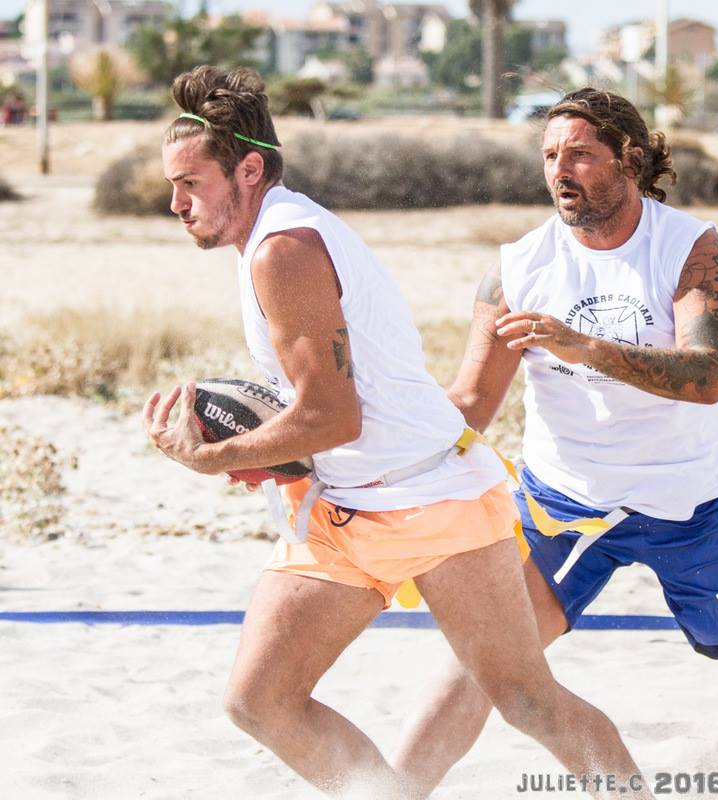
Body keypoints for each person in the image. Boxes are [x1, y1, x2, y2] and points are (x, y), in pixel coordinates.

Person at [142, 65, 646, 798]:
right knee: (259, 701)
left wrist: (213, 456)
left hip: (431, 497)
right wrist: (277, 455)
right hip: (346, 502)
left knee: (527, 700)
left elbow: (331, 415)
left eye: (190, 183)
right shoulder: (271, 241)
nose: (174, 202)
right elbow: (325, 415)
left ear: (247, 169)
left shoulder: (285, 250)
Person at [390, 88, 718, 800]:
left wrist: (582, 346)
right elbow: (470, 405)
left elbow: (706, 377)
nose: (559, 170)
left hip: (698, 504)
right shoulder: (517, 267)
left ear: (630, 158)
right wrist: (373, 455)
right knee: (482, 663)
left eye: (578, 152)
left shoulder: (689, 246)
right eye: (549, 155)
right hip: (565, 502)